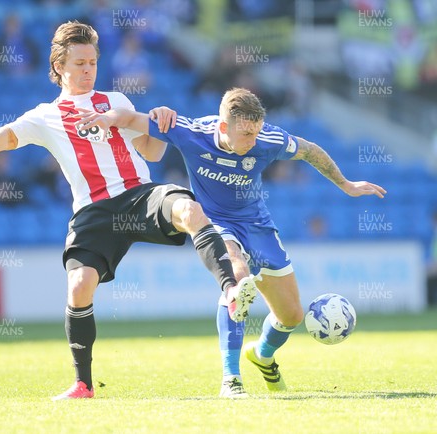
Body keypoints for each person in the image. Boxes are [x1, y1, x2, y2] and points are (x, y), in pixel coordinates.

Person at [0, 21, 241, 400]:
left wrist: (160, 121)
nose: (87, 70)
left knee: (189, 210)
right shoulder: (44, 117)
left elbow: (153, 152)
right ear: (59, 67)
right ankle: (83, 383)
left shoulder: (118, 102)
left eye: (93, 62)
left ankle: (231, 291)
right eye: (79, 62)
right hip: (94, 210)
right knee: (79, 286)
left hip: (138, 194)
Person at [75, 87, 386, 397]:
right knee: (237, 279)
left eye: (256, 133)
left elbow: (310, 150)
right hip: (216, 224)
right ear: (224, 127)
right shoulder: (190, 132)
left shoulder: (267, 140)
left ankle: (262, 355)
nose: (253, 141)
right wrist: (104, 119)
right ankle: (231, 378)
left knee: (291, 315)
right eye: (247, 134)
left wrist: (345, 184)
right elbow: (131, 118)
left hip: (257, 226)